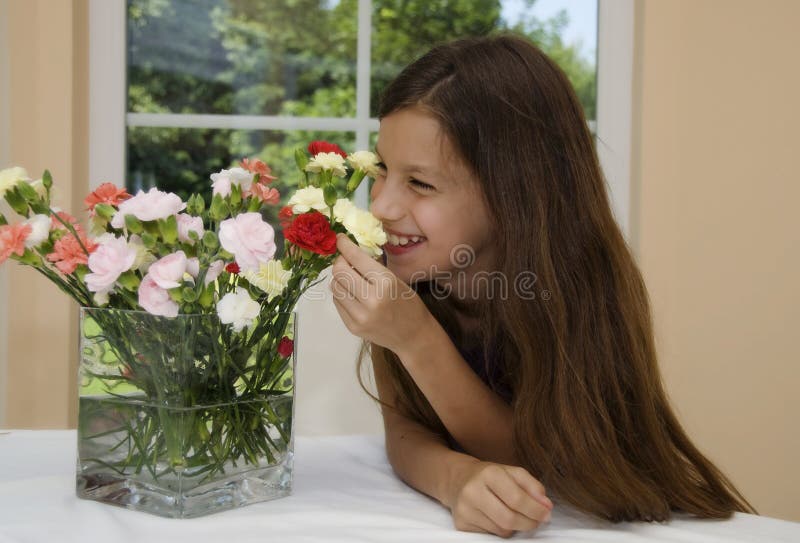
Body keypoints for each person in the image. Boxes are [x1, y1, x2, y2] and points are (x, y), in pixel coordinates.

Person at [329, 34, 755, 537]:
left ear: (513, 191)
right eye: (382, 170)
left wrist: (417, 340)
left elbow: (549, 466)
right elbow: (404, 432)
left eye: (420, 183)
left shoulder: (576, 289)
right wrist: (456, 478)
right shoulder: (408, 279)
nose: (381, 206)